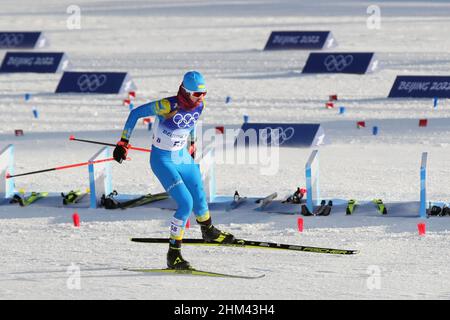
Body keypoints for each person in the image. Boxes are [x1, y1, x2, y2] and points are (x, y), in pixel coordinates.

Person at [113, 71, 236, 270]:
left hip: (181, 156)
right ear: (186, 92)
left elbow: (192, 122)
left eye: (204, 93)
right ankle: (173, 254)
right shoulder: (168, 105)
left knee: (199, 194)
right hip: (162, 160)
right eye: (197, 94)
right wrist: (123, 142)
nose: (201, 98)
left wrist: (193, 143)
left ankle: (208, 231)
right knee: (186, 204)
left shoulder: (200, 104)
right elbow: (135, 113)